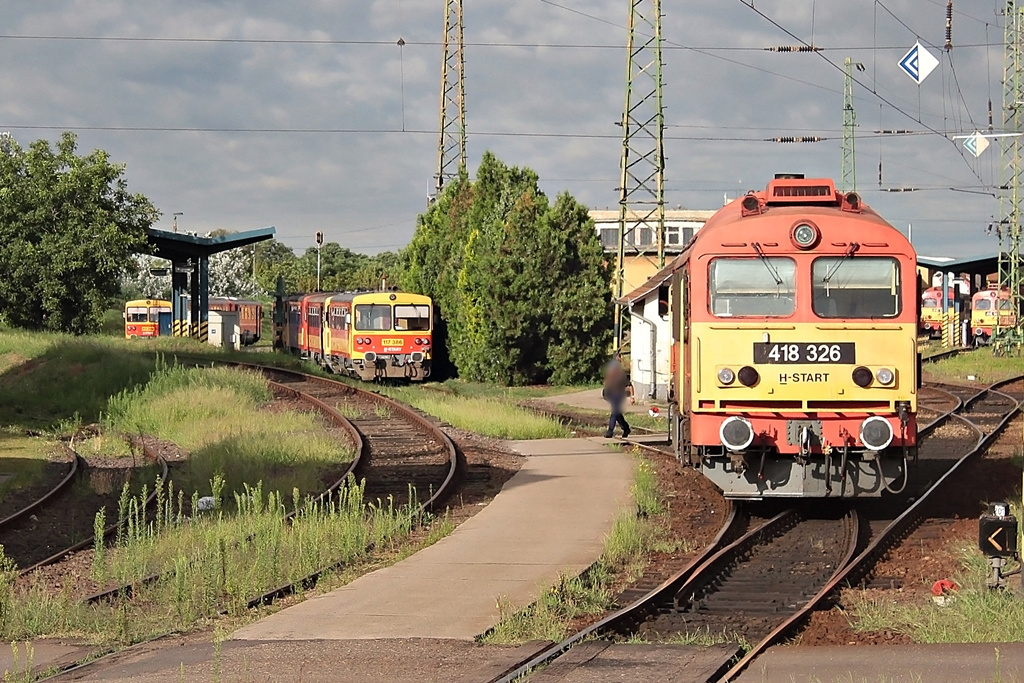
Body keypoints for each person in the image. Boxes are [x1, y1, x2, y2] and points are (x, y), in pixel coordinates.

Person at [602, 353, 634, 438]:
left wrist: (632, 397)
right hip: (612, 395)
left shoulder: (622, 375)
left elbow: (630, 385)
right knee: (617, 413)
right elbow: (606, 384)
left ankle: (610, 431)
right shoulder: (610, 375)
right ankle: (626, 428)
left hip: (619, 395)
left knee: (614, 413)